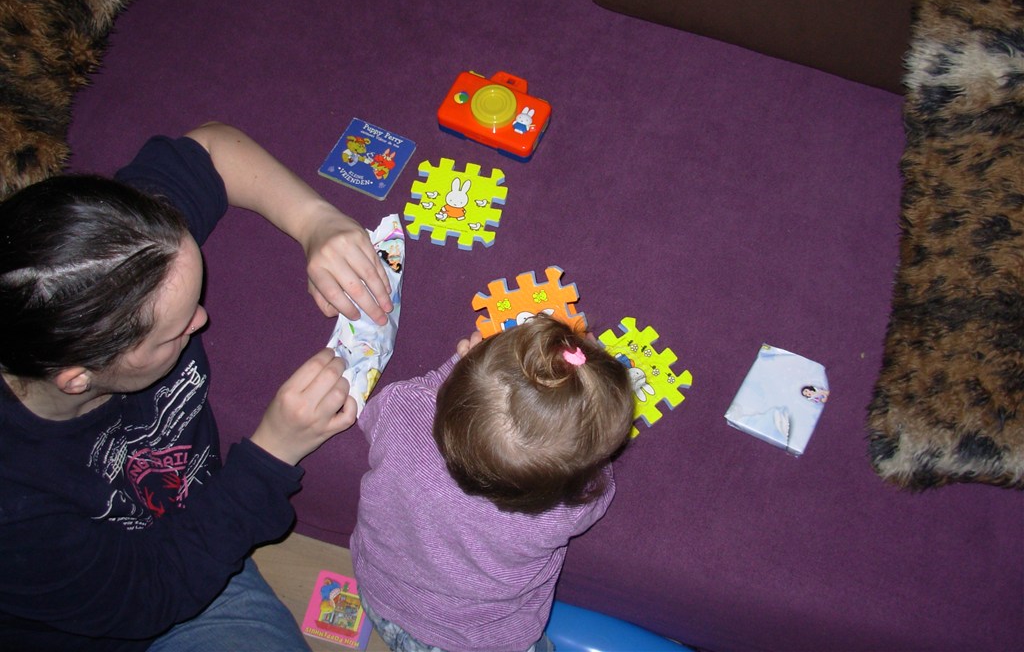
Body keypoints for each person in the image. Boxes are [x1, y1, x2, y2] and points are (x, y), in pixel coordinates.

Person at [0, 122, 393, 651]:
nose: (202, 319)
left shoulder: (120, 252)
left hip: (180, 545)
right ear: (78, 378)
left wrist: (316, 221)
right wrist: (272, 453)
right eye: (176, 330)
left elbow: (211, 148)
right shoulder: (16, 509)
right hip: (121, 608)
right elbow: (148, 594)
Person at [350, 314, 635, 652]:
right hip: (479, 643)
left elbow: (393, 405)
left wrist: (458, 368)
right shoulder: (565, 508)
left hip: (380, 597)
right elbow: (599, 486)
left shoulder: (402, 411)